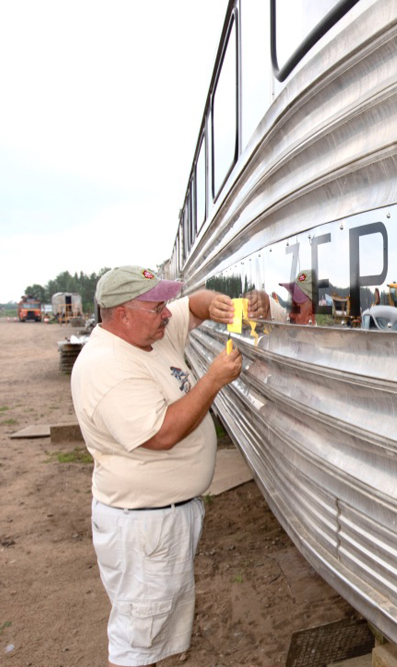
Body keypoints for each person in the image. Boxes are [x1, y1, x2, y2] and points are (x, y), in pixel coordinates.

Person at [70, 266, 242, 667]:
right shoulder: (107, 367)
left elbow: (194, 307)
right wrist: (212, 380)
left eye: (165, 304)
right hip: (144, 528)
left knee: (161, 624)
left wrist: (218, 304)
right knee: (140, 638)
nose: (167, 313)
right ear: (122, 313)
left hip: (166, 520)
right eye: (156, 307)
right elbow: (162, 435)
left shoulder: (151, 333)